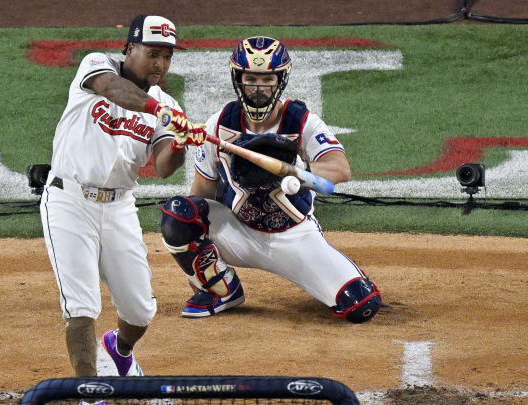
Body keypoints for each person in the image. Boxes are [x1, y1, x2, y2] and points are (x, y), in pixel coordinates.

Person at [160, 36, 382, 323]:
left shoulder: (301, 121)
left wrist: (293, 174)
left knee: (361, 305)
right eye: (250, 79)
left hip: (294, 237)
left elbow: (339, 169)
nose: (259, 88)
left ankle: (336, 278)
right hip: (238, 231)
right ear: (237, 79)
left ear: (281, 80)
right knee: (179, 213)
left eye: (267, 80)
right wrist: (200, 275)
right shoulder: (219, 124)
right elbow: (202, 193)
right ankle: (223, 291)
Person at [39, 14, 204, 377]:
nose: (161, 64)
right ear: (129, 48)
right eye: (153, 53)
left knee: (140, 311)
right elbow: (115, 91)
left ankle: (119, 348)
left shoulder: (167, 105)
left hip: (118, 208)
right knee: (81, 307)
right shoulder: (97, 66)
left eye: (167, 56)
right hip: (69, 201)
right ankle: (91, 396)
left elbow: (163, 166)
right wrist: (160, 111)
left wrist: (180, 141)